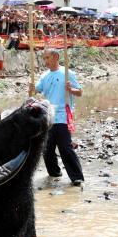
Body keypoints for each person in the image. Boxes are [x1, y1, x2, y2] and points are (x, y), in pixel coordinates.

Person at [29, 48, 84, 186]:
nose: (45, 61)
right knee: (47, 150)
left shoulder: (67, 73)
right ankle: (54, 173)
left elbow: (80, 92)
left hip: (62, 116)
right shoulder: (44, 76)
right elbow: (36, 91)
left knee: (65, 148)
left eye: (47, 58)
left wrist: (71, 89)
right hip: (48, 116)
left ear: (55, 57)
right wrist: (31, 88)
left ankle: (77, 177)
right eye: (44, 59)